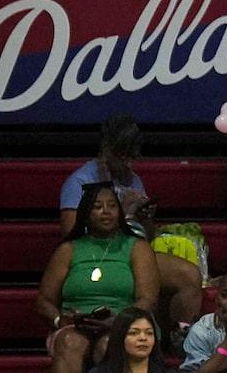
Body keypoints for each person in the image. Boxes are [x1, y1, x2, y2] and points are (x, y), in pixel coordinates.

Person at [57, 115, 204, 329]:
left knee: (190, 275)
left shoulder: (133, 179)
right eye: (122, 156)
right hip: (99, 255)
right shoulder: (80, 181)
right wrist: (122, 213)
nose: (127, 163)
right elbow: (70, 236)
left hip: (135, 251)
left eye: (131, 157)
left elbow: (148, 236)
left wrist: (145, 219)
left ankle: (181, 339)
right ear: (106, 148)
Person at [38, 180, 159, 373]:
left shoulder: (137, 247)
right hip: (76, 325)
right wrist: (60, 320)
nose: (106, 212)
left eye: (112, 205)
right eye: (98, 206)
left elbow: (148, 299)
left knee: (109, 344)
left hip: (124, 323)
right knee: (69, 341)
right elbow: (43, 300)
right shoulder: (68, 249)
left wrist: (120, 321)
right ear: (85, 213)